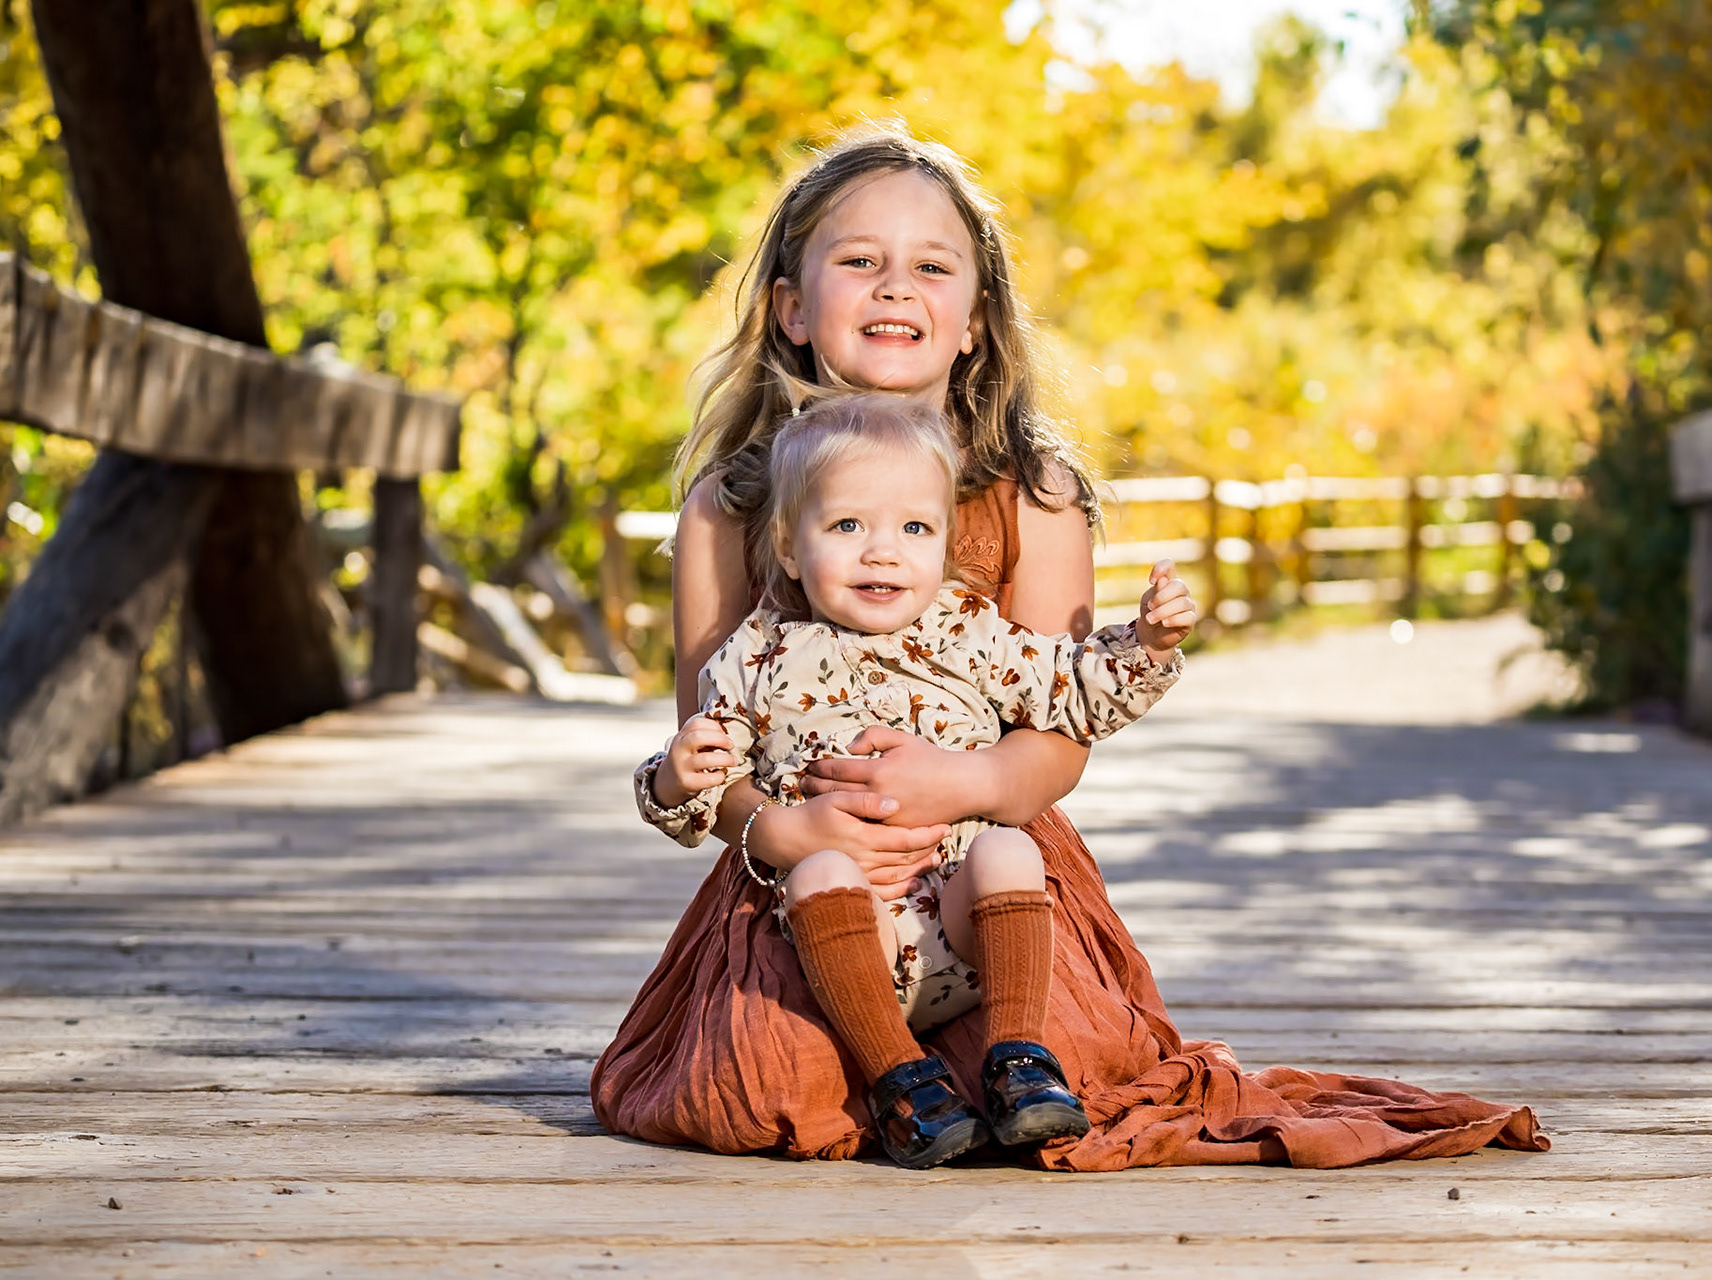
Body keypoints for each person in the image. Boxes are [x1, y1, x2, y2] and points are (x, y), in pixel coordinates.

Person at [592, 124, 1550, 1170]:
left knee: (1072, 1063)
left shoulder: (1032, 491)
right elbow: (706, 749)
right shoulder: (731, 506)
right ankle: (891, 1065)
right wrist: (784, 829)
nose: (894, 287)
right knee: (767, 1090)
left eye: (930, 266)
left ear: (974, 321)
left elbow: (1061, 734)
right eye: (859, 261)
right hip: (800, 877)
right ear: (790, 305)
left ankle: (1001, 1064)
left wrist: (956, 779)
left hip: (990, 858)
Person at [639, 393, 1194, 1168]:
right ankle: (902, 1081)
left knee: (1008, 850)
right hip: (843, 932)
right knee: (820, 869)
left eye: (913, 529)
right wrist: (674, 778)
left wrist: (1146, 644)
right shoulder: (755, 654)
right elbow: (705, 773)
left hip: (965, 916)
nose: (882, 552)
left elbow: (1071, 692)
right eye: (846, 527)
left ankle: (1019, 1063)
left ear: (940, 542)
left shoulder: (968, 631)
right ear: (790, 549)